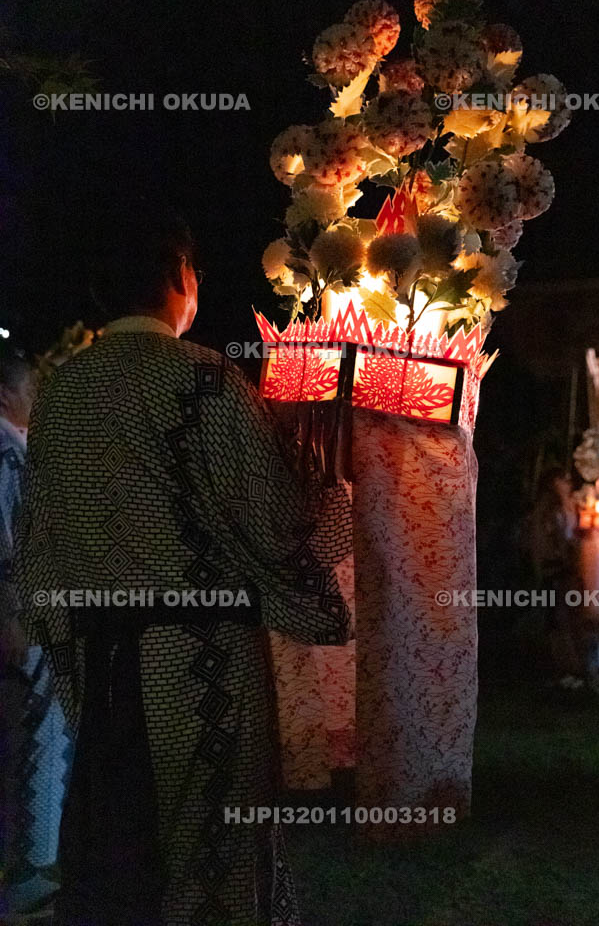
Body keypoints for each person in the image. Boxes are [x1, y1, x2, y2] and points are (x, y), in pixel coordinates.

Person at [6, 203, 352, 926]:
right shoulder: (206, 379)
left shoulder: (63, 390)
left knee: (120, 843)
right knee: (210, 851)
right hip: (201, 660)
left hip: (101, 662)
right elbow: (278, 521)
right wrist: (326, 469)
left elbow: (41, 538)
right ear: (178, 275)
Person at [0, 345, 71, 917]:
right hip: (23, 619)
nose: (37, 400)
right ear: (6, 394)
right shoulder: (7, 456)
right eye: (31, 390)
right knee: (38, 736)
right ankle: (30, 869)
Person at [530, 467, 599, 693]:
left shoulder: (573, 505)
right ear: (552, 483)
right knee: (565, 622)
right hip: (561, 572)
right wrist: (561, 559)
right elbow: (547, 543)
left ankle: (589, 670)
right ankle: (571, 670)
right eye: (563, 479)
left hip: (577, 570)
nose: (568, 483)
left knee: (583, 621)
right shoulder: (548, 511)